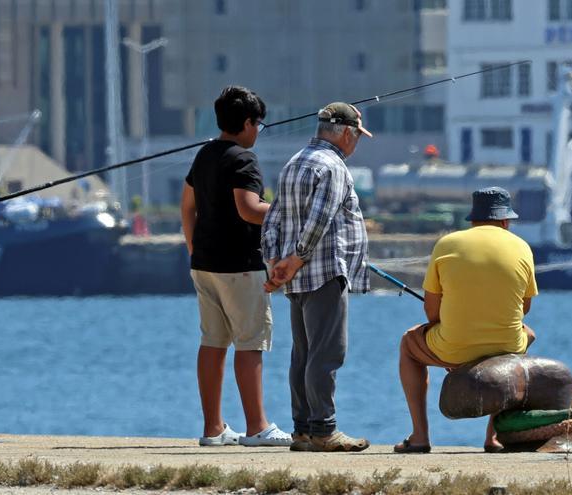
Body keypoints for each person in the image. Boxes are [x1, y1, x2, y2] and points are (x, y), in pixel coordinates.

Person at [180, 86, 291, 447]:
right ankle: (257, 427)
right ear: (246, 123)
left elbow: (187, 206)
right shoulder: (243, 159)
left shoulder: (205, 155)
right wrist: (288, 213)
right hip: (239, 265)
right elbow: (248, 208)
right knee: (250, 342)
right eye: (258, 123)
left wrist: (194, 246)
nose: (259, 130)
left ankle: (213, 428)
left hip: (205, 263)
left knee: (212, 341)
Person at [262, 102, 372, 452]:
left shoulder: (295, 163)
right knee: (326, 353)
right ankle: (324, 430)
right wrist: (294, 260)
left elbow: (273, 220)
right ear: (344, 132)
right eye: (357, 135)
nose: (356, 143)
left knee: (303, 353)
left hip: (296, 277)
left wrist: (275, 263)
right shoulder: (333, 166)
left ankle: (303, 430)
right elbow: (320, 220)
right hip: (324, 271)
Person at [395, 186, 538, 454]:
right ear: (506, 221)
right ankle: (494, 437)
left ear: (472, 219)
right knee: (528, 335)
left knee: (408, 344)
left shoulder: (448, 243)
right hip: (504, 347)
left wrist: (453, 340)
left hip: (452, 346)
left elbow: (431, 312)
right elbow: (524, 309)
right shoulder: (522, 247)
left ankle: (420, 436)